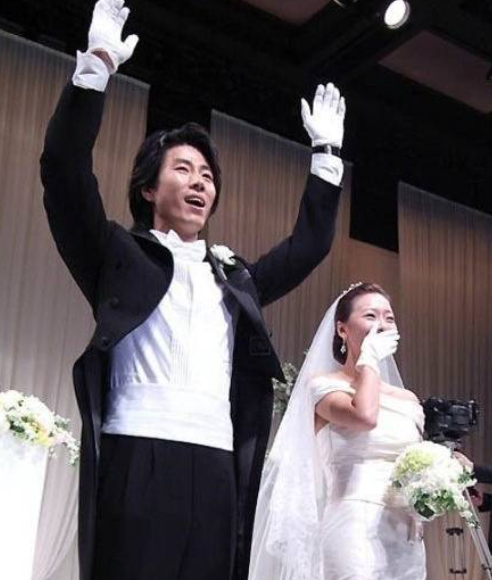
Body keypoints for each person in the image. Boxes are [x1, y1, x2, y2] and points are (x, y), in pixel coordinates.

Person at [39, 0, 347, 579]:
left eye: (207, 175)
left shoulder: (232, 277)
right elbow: (63, 170)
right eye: (183, 169)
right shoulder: (117, 255)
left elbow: (309, 246)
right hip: (139, 450)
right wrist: (96, 64)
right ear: (148, 189)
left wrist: (326, 157)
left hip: (216, 462)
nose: (200, 182)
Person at [249, 282, 427, 580]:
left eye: (389, 318)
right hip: (354, 525)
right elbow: (365, 416)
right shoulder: (324, 386)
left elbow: (416, 460)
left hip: (405, 533)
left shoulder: (406, 398)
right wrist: (368, 359)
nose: (381, 325)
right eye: (370, 316)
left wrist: (447, 470)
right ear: (342, 329)